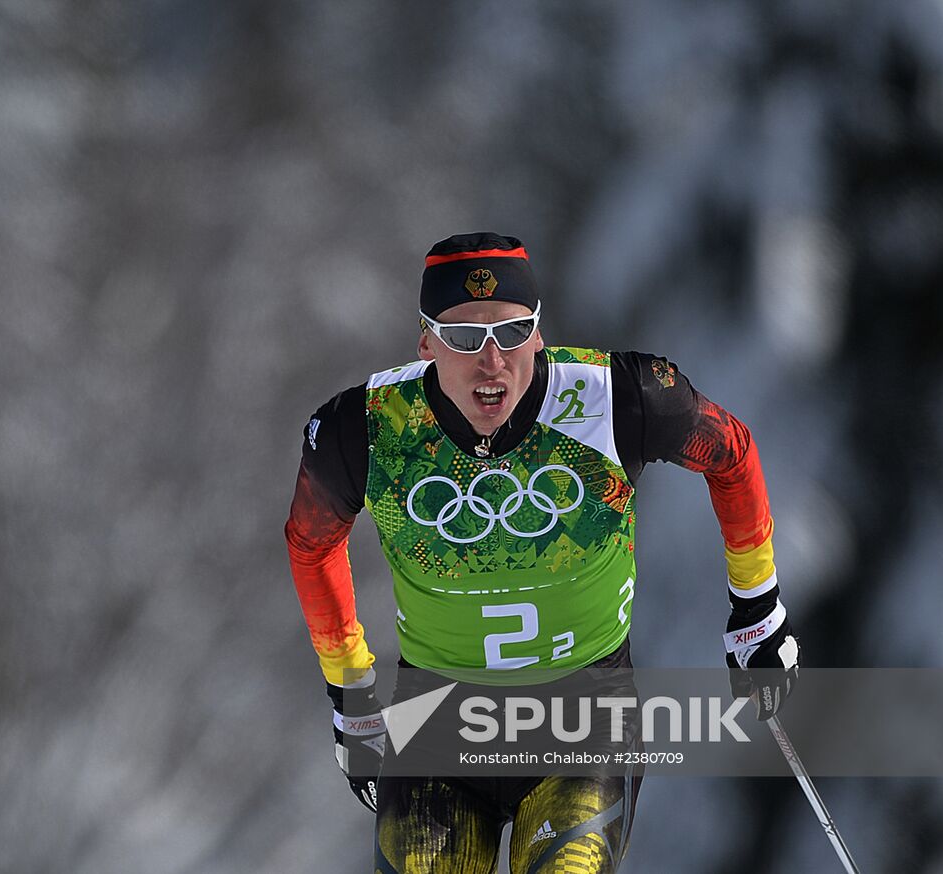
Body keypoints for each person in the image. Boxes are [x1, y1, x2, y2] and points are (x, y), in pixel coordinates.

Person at [284, 233, 801, 873]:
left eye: (511, 332)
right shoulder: (368, 427)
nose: (491, 361)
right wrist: (351, 694)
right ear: (426, 344)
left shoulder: (619, 398)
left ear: (538, 334)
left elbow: (732, 454)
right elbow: (311, 542)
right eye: (464, 338)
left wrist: (758, 607)